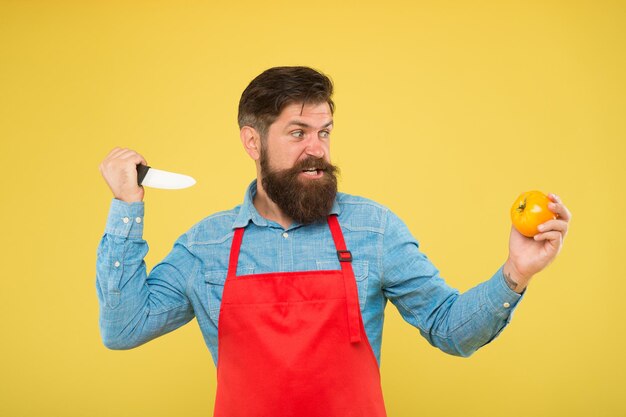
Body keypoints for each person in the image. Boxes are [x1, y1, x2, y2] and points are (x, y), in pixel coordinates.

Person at [97, 66, 571, 417]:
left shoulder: (374, 230)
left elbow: (449, 329)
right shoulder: (208, 246)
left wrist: (516, 273)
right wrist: (127, 206)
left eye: (323, 133)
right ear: (251, 141)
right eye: (297, 133)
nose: (317, 150)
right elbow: (123, 328)